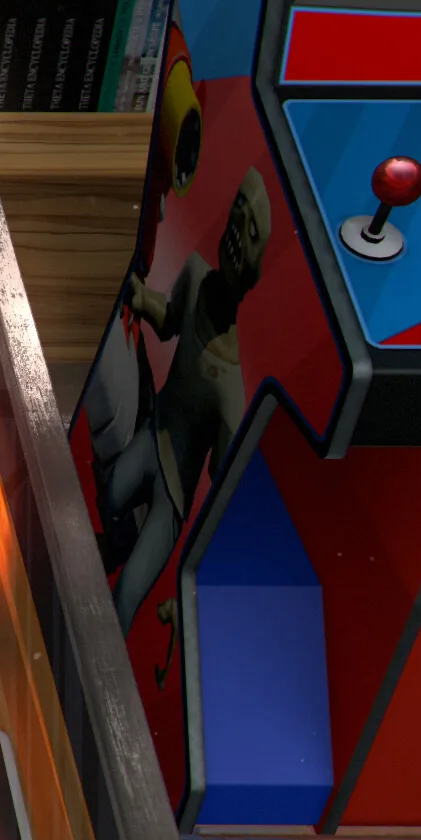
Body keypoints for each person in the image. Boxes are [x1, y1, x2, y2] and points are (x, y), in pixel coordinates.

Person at [101, 166, 270, 633]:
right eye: (239, 215)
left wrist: (194, 594)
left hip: (173, 498)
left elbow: (224, 496)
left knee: (127, 594)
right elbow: (170, 318)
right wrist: (140, 297)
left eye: (250, 231)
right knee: (110, 493)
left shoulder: (230, 390)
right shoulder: (195, 274)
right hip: (154, 433)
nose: (236, 234)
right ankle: (115, 546)